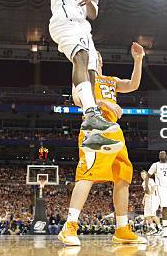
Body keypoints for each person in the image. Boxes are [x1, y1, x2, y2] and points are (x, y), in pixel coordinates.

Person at [58, 44, 146, 246]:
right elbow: (78, 99)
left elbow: (133, 84)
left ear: (100, 61)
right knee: (88, 175)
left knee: (123, 177)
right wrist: (105, 104)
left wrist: (138, 60)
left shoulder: (110, 80)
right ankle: (69, 226)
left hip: (114, 130)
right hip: (94, 129)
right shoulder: (82, 77)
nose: (91, 58)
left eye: (94, 56)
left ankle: (122, 229)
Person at [49, 0, 120, 152]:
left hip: (83, 28)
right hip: (63, 22)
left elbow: (94, 14)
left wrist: (90, 1)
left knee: (92, 75)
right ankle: (91, 114)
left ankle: (91, 130)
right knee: (79, 57)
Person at [141, 170, 161, 235]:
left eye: (144, 174)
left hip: (153, 198)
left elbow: (154, 187)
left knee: (152, 215)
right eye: (142, 175)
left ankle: (160, 228)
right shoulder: (143, 183)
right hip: (147, 199)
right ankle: (153, 228)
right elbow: (146, 192)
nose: (143, 176)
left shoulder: (150, 180)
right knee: (146, 215)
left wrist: (150, 194)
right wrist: (143, 199)